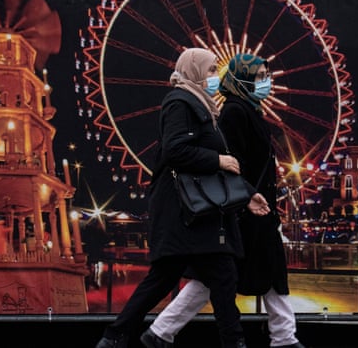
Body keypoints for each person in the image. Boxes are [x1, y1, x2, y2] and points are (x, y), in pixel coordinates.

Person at [95, 48, 270, 348]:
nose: (216, 76)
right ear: (194, 70)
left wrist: (248, 195)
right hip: (186, 214)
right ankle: (119, 337)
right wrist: (219, 160)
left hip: (198, 214)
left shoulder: (202, 107)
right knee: (184, 278)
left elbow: (210, 169)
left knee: (207, 277)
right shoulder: (179, 102)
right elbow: (175, 151)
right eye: (212, 69)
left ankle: (118, 337)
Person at [140, 54, 305, 348]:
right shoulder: (234, 113)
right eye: (259, 76)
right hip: (245, 209)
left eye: (267, 75)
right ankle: (283, 337)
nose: (266, 82)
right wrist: (246, 197)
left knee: (256, 272)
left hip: (255, 207)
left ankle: (161, 332)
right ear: (241, 79)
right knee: (221, 275)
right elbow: (231, 161)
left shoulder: (248, 111)